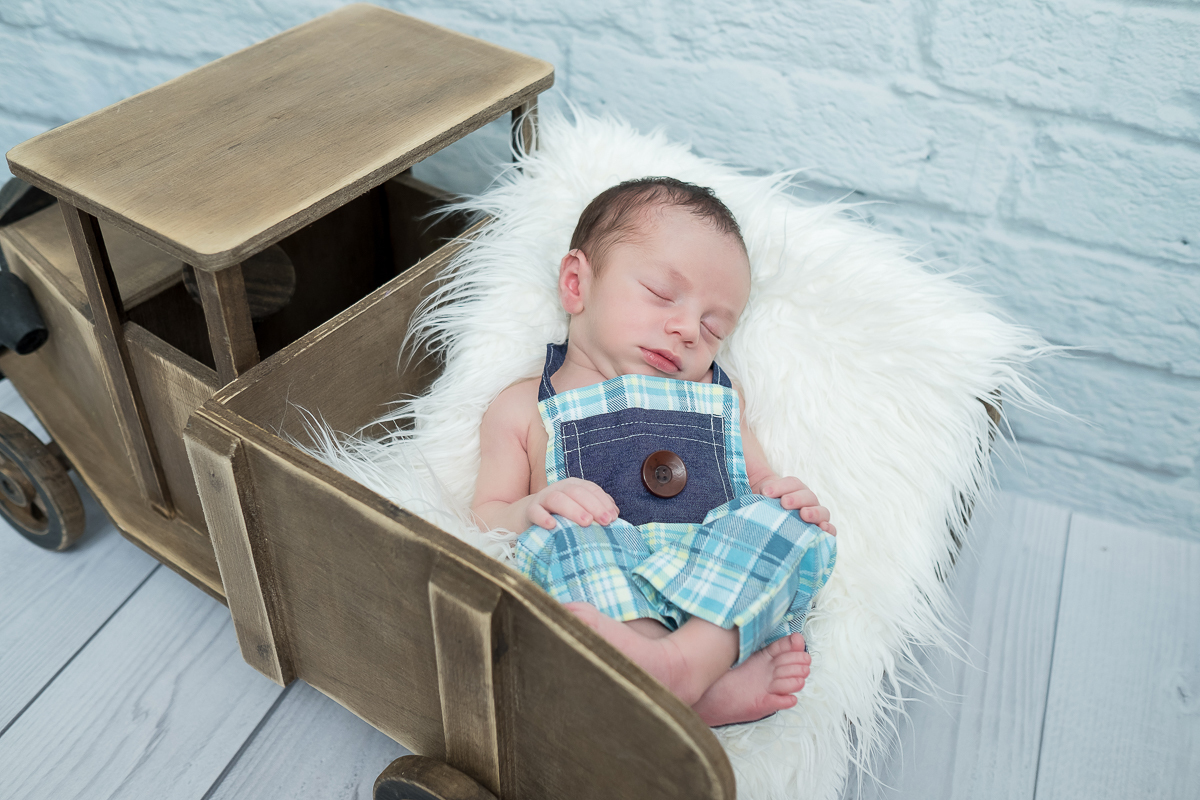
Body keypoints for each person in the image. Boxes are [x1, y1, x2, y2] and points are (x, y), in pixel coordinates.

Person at [472, 177, 837, 726]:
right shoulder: (524, 407)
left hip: (714, 570)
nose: (689, 329)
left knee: (789, 525)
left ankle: (686, 663)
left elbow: (757, 482)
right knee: (564, 536)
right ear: (577, 284)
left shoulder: (718, 398)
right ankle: (682, 680)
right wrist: (533, 506)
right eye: (664, 295)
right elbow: (487, 513)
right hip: (608, 575)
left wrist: (785, 497)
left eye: (715, 328)